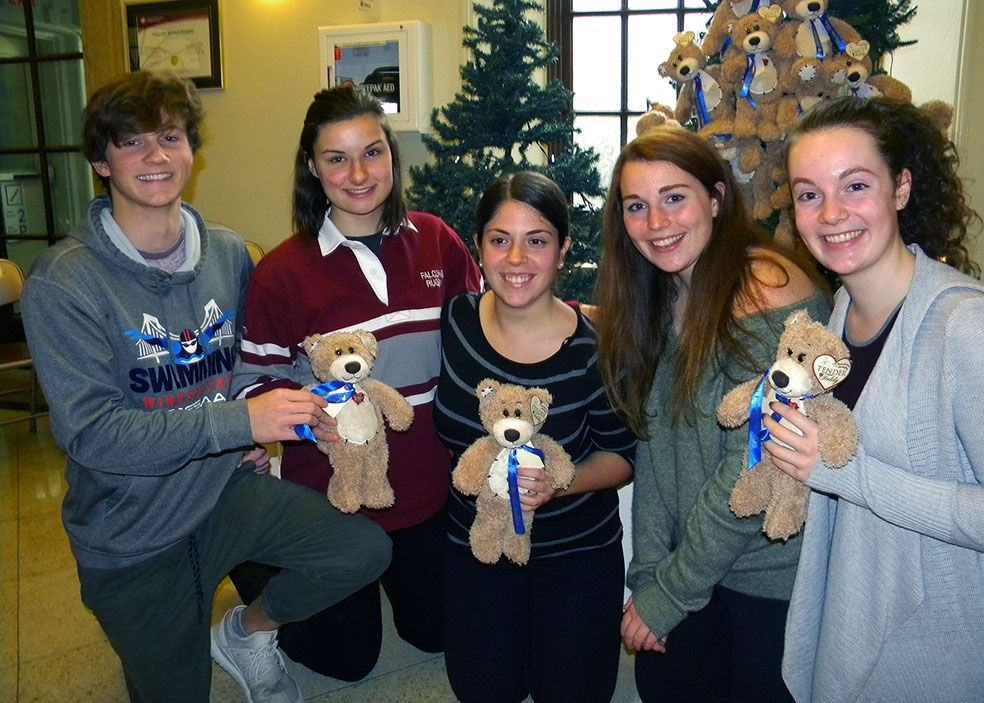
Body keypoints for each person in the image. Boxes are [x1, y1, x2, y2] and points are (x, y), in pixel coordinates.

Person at [19, 70, 391, 703]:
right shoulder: (64, 282)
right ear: (100, 162)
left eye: (169, 136)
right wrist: (238, 425)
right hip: (131, 533)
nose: (156, 156)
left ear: (192, 149)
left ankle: (244, 631)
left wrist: (310, 396)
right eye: (132, 142)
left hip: (226, 494)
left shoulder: (226, 253)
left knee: (361, 550)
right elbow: (93, 435)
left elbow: (250, 367)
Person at [228, 85, 482, 681]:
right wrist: (314, 418)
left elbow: (487, 330)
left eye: (372, 152)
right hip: (338, 498)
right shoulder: (283, 273)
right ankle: (254, 560)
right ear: (313, 168)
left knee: (437, 634)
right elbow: (251, 386)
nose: (359, 173)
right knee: (346, 661)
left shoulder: (437, 240)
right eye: (337, 158)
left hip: (428, 491)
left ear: (392, 155)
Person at [769, 96, 984, 702]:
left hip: (939, 656)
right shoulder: (841, 313)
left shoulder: (965, 326)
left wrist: (848, 473)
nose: (832, 213)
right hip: (854, 619)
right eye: (809, 194)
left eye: (856, 185)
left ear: (900, 188)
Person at [594, 128, 830, 702]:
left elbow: (751, 467)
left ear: (717, 199)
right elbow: (653, 448)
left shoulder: (765, 288)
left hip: (770, 574)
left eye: (675, 197)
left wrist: (668, 595)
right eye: (636, 206)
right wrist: (648, 573)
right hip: (695, 559)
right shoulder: (665, 292)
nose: (656, 222)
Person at [434, 171, 637, 703]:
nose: (517, 259)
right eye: (500, 240)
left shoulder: (593, 350)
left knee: (573, 691)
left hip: (575, 551)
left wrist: (556, 485)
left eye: (537, 241)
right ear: (478, 247)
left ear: (564, 250)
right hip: (475, 544)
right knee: (483, 689)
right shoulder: (455, 321)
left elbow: (622, 456)